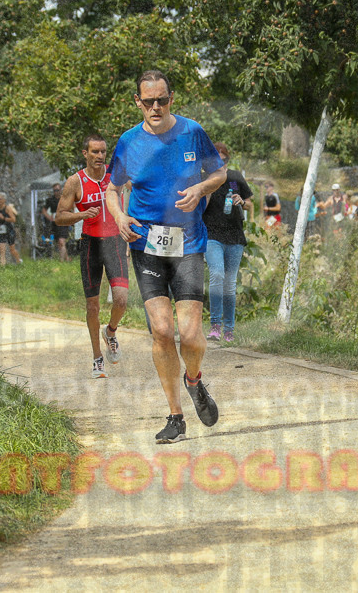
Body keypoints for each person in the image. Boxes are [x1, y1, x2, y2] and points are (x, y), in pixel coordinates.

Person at [105, 69, 226, 444]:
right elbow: (112, 188)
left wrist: (201, 187)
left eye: (162, 100)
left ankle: (195, 380)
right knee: (161, 330)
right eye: (148, 101)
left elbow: (219, 172)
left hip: (188, 244)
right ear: (138, 102)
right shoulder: (128, 142)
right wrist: (120, 216)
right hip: (147, 245)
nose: (155, 107)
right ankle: (175, 416)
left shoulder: (192, 132)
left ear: (172, 99)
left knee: (190, 335)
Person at [54, 134, 130, 379]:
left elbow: (133, 189)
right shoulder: (75, 182)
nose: (100, 156)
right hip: (91, 245)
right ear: (85, 153)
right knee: (92, 304)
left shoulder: (114, 175)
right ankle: (97, 357)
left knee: (121, 300)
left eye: (103, 152)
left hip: (115, 241)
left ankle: (111, 332)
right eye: (95, 152)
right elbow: (60, 216)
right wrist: (82, 215)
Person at [202, 142, 252, 343]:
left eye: (224, 161)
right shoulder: (204, 179)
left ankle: (229, 330)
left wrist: (242, 201)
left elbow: (249, 203)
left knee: (230, 284)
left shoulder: (235, 177)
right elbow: (200, 208)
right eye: (216, 161)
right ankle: (215, 326)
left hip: (234, 235)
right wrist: (209, 189)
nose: (220, 164)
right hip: (212, 234)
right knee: (216, 274)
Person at [41, 183, 70, 262]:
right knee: (59, 242)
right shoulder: (50, 200)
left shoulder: (64, 199)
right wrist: (49, 217)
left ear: (61, 190)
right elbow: (44, 210)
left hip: (63, 222)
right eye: (54, 190)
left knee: (61, 241)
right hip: (55, 223)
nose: (56, 192)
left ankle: (61, 261)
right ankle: (67, 259)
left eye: (57, 190)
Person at [0, 192, 22, 265]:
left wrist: (3, 218)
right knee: (2, 249)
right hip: (1, 230)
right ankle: (2, 266)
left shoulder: (7, 208)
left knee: (12, 250)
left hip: (9, 230)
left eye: (0, 199)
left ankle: (19, 261)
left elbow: (13, 219)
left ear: (4, 200)